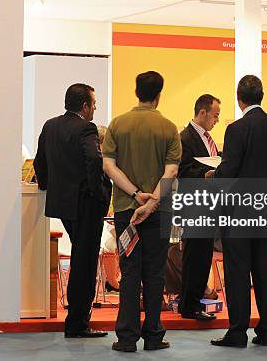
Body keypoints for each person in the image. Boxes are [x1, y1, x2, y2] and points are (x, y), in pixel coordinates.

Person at [210, 75, 267, 348]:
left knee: (237, 270)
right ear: (262, 95)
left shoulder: (236, 129)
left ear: (239, 98)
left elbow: (230, 170)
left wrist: (214, 175)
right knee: (263, 268)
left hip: (238, 209)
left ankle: (237, 332)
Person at [103, 71, 181, 352]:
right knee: (155, 273)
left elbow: (109, 167)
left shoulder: (118, 125)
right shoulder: (168, 128)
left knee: (130, 271)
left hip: (127, 211)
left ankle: (126, 338)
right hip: (158, 212)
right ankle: (153, 335)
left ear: (136, 91)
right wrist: (152, 202)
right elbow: (171, 171)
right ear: (159, 94)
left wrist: (136, 195)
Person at [34, 84, 112, 338]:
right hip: (86, 203)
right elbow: (93, 160)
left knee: (80, 258)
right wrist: (99, 192)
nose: (95, 109)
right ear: (85, 106)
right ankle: (78, 322)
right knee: (85, 263)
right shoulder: (86, 128)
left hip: (62, 204)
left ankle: (77, 320)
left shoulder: (50, 125)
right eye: (94, 105)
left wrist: (47, 187)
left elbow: (39, 162)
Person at [178, 94, 221, 321]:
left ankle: (193, 302)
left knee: (203, 255)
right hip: (195, 204)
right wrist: (204, 174)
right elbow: (182, 171)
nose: (216, 121)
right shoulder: (185, 137)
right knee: (195, 256)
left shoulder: (207, 138)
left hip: (208, 203)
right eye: (215, 115)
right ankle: (190, 304)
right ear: (202, 112)